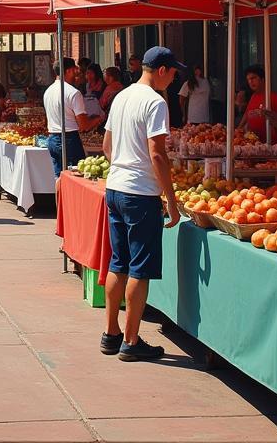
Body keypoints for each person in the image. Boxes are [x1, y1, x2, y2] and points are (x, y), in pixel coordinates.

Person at [101, 46, 182, 363]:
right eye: (173, 72)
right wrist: (171, 201)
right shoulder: (155, 102)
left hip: (116, 187)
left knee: (118, 262)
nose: (174, 78)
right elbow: (158, 154)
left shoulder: (122, 96)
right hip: (140, 194)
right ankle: (131, 340)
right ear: (161, 70)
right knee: (139, 267)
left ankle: (111, 332)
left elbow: (108, 145)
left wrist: (123, 166)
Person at [43, 59, 102, 176]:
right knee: (75, 176)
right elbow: (84, 125)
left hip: (53, 137)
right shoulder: (73, 93)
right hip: (69, 139)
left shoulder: (48, 91)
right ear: (69, 71)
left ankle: (58, 195)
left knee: (58, 175)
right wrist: (99, 119)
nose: (77, 72)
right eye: (75, 69)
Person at [237, 64, 277, 137]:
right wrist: (238, 129)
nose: (250, 82)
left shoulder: (274, 97)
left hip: (271, 144)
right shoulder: (253, 97)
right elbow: (247, 114)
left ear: (262, 79)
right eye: (248, 79)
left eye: (253, 78)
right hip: (253, 143)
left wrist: (275, 117)